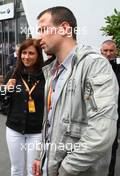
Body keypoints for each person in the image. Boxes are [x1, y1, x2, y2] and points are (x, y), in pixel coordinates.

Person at [32, 6, 119, 176]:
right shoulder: (51, 71)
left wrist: (66, 169)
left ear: (64, 28)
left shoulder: (95, 65)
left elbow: (101, 134)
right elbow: (49, 123)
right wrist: (40, 156)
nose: (38, 37)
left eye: (43, 29)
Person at [0, 38, 45, 176]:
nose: (26, 57)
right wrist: (5, 89)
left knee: (33, 171)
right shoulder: (13, 73)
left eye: (31, 53)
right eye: (24, 53)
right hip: (14, 129)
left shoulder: (45, 76)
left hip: (36, 131)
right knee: (16, 169)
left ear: (38, 55)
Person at [101, 39, 120, 176]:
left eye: (111, 50)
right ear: (100, 52)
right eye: (105, 51)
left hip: (115, 115)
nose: (108, 53)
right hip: (98, 115)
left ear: (116, 52)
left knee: (112, 148)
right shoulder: (95, 68)